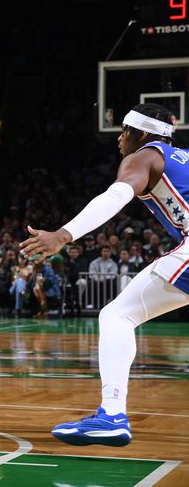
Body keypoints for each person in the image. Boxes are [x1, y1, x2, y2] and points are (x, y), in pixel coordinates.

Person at [21, 103, 189, 447]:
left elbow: (117, 195)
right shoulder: (181, 157)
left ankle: (111, 414)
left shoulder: (144, 156)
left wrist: (63, 235)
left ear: (141, 134)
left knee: (117, 315)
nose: (119, 138)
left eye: (124, 131)